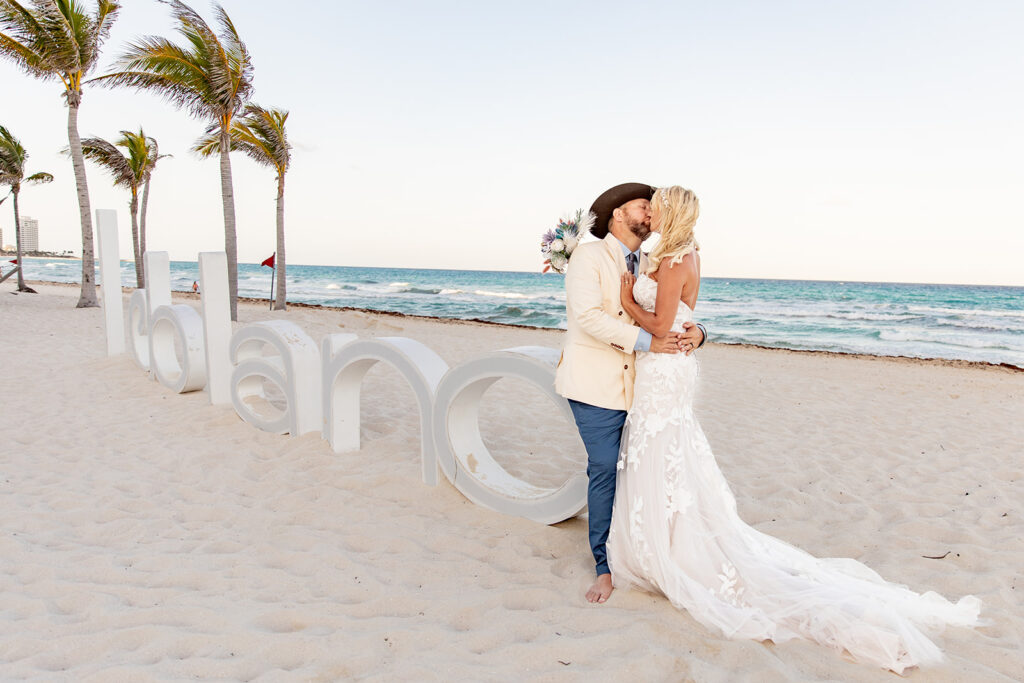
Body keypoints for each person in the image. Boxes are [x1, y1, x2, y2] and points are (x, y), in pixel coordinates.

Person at [605, 185, 981, 673]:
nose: (649, 211)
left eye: (656, 205)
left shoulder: (678, 260)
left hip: (665, 368)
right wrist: (687, 328)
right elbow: (681, 321)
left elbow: (661, 326)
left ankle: (670, 546)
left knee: (661, 447)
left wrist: (624, 300)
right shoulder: (672, 253)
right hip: (660, 368)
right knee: (658, 450)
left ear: (672, 213)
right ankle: (658, 535)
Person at [554, 182, 707, 605]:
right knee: (604, 467)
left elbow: (678, 312)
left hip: (644, 387)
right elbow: (587, 318)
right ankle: (605, 567)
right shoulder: (589, 255)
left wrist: (700, 333)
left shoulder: (655, 259)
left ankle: (646, 553)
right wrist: (648, 341)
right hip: (596, 383)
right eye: (644, 205)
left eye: (654, 207)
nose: (650, 212)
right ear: (619, 214)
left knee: (643, 472)